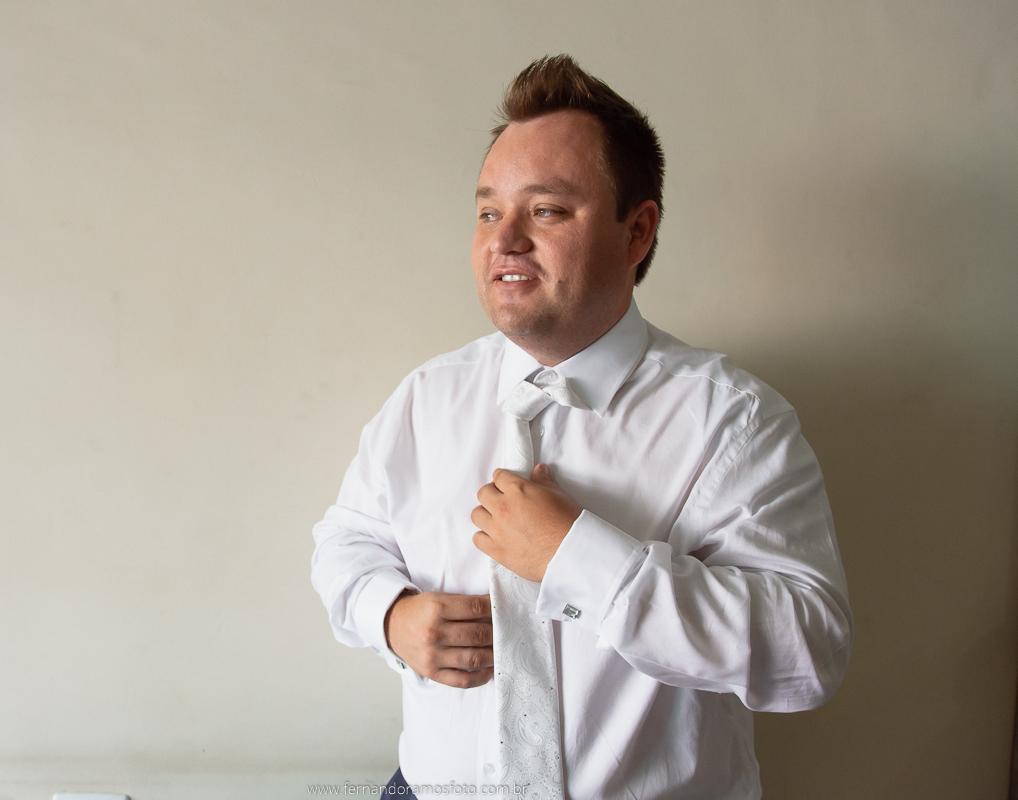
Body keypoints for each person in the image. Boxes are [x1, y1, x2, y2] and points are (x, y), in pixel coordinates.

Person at [311, 54, 852, 799]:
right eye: (488, 211)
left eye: (548, 210)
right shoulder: (424, 400)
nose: (504, 241)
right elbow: (343, 544)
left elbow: (808, 652)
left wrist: (579, 557)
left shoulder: (734, 420)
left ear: (638, 232)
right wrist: (391, 616)